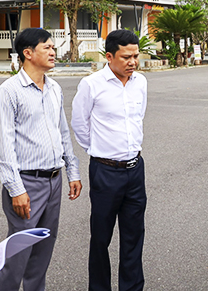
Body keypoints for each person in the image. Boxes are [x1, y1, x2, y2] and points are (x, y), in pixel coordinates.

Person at [0, 28, 81, 291]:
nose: (54, 52)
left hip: (54, 180)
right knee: (17, 257)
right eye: (47, 48)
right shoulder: (8, 92)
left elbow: (62, 131)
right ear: (27, 53)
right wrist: (16, 190)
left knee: (42, 254)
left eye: (54, 47)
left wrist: (72, 171)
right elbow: (4, 146)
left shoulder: (54, 88)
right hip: (27, 184)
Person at [71, 29, 148, 291]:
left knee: (134, 237)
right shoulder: (92, 84)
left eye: (135, 56)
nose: (133, 62)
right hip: (105, 172)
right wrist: (98, 151)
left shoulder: (140, 82)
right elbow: (79, 124)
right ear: (109, 56)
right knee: (101, 237)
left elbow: (138, 119)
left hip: (135, 169)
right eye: (126, 56)